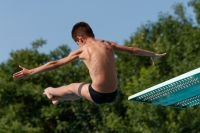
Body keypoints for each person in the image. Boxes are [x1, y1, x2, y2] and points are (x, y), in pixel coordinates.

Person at [13, 22, 166, 105]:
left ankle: (51, 92)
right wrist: (153, 54)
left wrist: (30, 72)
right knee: (80, 91)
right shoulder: (108, 43)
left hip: (98, 94)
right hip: (112, 94)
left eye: (77, 43)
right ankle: (59, 98)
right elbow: (132, 50)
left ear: (79, 39)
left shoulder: (83, 50)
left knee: (73, 87)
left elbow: (55, 64)